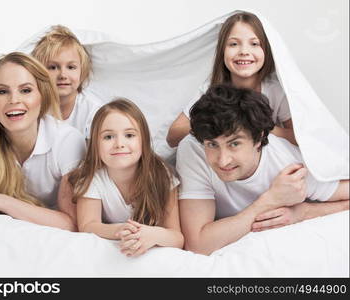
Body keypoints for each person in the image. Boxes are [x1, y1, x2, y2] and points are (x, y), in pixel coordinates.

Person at [176, 85, 349, 255]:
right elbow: (198, 245)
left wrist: (305, 212)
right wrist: (269, 201)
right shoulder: (193, 150)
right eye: (212, 145)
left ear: (259, 138)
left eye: (234, 144)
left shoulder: (287, 162)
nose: (223, 160)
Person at [0, 52, 86, 231]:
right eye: (3, 91)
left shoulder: (68, 140)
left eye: (26, 90)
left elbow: (72, 223)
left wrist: (0, 201)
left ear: (42, 95)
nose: (14, 100)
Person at [68, 99, 184, 256]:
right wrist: (120, 230)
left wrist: (152, 234)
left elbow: (177, 238)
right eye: (108, 137)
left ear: (143, 141)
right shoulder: (91, 176)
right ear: (95, 144)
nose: (119, 144)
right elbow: (88, 225)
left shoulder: (161, 175)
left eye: (129, 135)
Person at [167, 11, 295, 148]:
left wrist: (259, 126)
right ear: (222, 51)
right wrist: (221, 120)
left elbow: (301, 139)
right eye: (234, 44)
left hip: (261, 160)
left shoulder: (275, 91)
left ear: (266, 50)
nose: (244, 51)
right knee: (189, 145)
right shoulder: (211, 88)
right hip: (222, 160)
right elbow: (172, 137)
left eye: (254, 44)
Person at [31, 25, 102, 138]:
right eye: (52, 67)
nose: (63, 75)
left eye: (71, 67)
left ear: (82, 71)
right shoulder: (34, 108)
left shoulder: (91, 112)